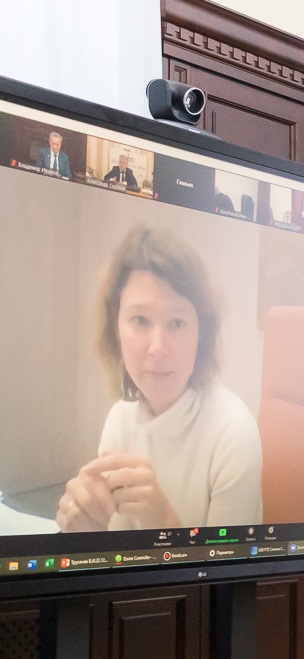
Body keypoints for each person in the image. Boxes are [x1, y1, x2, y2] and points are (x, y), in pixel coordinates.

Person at [55, 226, 262, 533]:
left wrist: (163, 519)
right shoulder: (120, 421)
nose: (157, 348)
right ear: (115, 329)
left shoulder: (233, 432)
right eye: (140, 320)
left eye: (177, 322)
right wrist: (85, 533)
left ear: (201, 335)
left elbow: (227, 563)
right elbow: (120, 550)